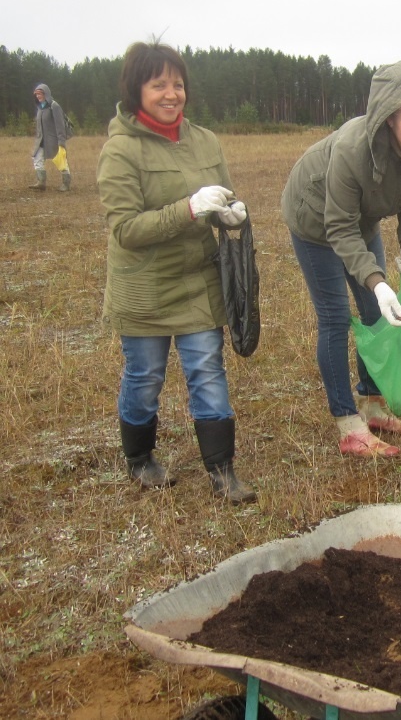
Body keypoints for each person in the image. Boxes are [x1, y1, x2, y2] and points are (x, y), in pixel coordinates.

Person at [96, 41, 256, 503]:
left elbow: (222, 197)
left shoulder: (204, 140)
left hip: (198, 282)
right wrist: (188, 209)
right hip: (143, 289)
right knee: (145, 377)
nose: (171, 94)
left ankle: (223, 473)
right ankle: (141, 459)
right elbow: (125, 229)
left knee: (207, 369)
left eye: (178, 84)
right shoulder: (120, 151)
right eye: (158, 84)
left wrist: (230, 214)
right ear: (136, 90)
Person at [281, 57, 401, 458]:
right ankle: (348, 424)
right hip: (316, 220)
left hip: (362, 218)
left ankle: (372, 405)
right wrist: (376, 281)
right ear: (390, 117)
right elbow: (338, 227)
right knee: (337, 317)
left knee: (377, 315)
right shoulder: (352, 149)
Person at [29, 83, 72, 192]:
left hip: (53, 140)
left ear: (46, 94)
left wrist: (61, 142)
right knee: (37, 158)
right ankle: (41, 182)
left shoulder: (54, 106)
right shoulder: (40, 108)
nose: (38, 96)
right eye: (37, 94)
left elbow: (60, 125)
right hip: (41, 141)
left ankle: (66, 184)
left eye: (40, 94)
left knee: (61, 161)